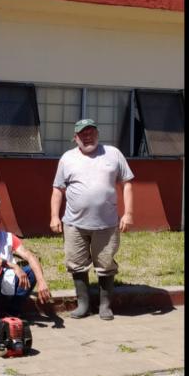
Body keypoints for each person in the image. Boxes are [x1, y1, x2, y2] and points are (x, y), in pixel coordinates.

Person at [51, 118, 135, 321]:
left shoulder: (113, 154)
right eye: (83, 133)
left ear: (97, 134)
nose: (87, 136)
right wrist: (54, 216)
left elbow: (127, 184)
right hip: (74, 224)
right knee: (76, 263)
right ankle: (83, 304)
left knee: (106, 264)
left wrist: (129, 213)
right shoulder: (67, 158)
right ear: (75, 138)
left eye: (91, 132)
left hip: (106, 224)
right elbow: (57, 189)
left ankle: (105, 306)